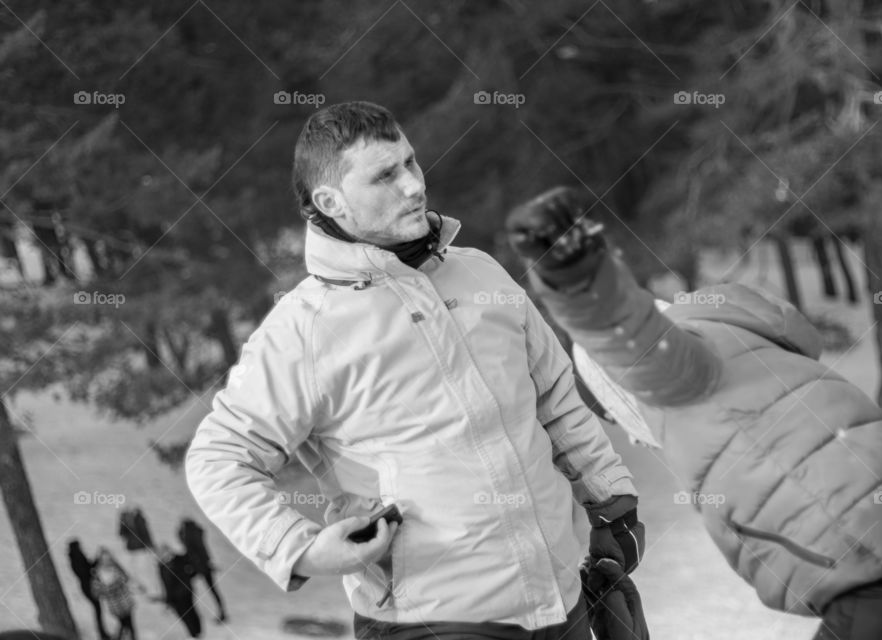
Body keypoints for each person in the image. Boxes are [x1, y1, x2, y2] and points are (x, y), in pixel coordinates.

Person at [185, 101, 644, 639]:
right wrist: (299, 548)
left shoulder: (480, 274)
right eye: (384, 175)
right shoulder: (302, 330)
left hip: (559, 603)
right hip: (429, 619)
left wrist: (611, 503)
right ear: (331, 201)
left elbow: (556, 402)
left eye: (410, 162)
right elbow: (219, 458)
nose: (413, 185)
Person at [506, 185, 882, 640]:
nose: (637, 436)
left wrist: (576, 275)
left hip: (881, 564)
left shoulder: (685, 379)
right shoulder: (749, 348)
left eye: (619, 416)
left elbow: (630, 337)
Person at [178, 517, 227, 623]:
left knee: (210, 589)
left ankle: (221, 613)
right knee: (212, 589)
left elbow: (194, 551)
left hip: (200, 566)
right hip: (201, 565)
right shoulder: (195, 533)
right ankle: (221, 612)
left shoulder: (190, 534)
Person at [156, 544, 202, 638]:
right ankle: (194, 632)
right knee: (185, 615)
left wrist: (191, 575)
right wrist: (168, 600)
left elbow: (192, 563)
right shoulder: (162, 567)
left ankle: (195, 632)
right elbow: (166, 585)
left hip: (185, 593)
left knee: (190, 612)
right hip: (176, 596)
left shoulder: (178, 560)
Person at [90, 548, 138, 640]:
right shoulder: (98, 574)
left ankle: (128, 637)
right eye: (104, 559)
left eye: (108, 558)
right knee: (125, 624)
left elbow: (126, 578)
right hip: (116, 605)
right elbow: (96, 593)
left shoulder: (116, 569)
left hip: (125, 602)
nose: (106, 561)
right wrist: (107, 590)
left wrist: (114, 586)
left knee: (128, 624)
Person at [67, 539, 109, 640]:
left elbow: (90, 566)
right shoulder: (76, 560)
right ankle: (102, 633)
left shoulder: (77, 558)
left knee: (98, 609)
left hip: (88, 585)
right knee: (97, 609)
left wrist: (98, 557)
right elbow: (86, 570)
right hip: (88, 587)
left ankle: (102, 633)